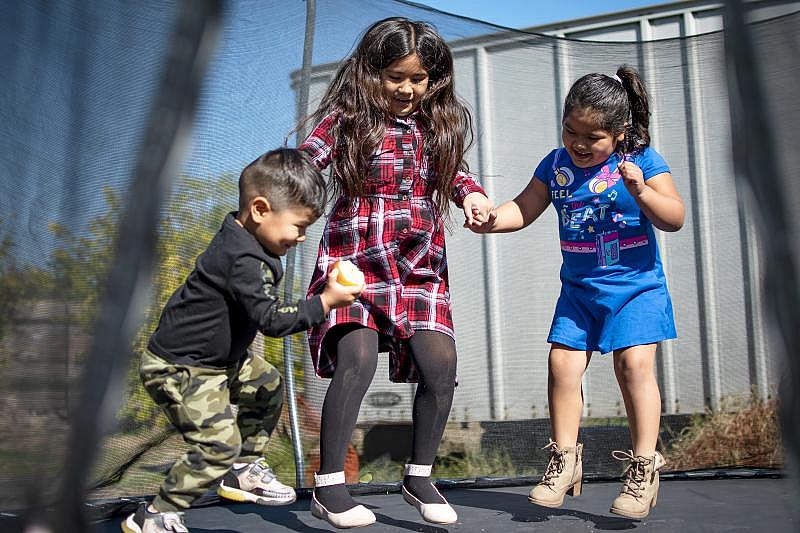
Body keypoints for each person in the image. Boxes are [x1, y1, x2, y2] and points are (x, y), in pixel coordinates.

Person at [296, 17, 493, 529]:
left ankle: (419, 475)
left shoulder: (437, 127)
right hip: (356, 255)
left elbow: (454, 174)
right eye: (395, 77)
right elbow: (307, 162)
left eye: (418, 79)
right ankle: (330, 485)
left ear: (434, 81)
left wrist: (471, 195)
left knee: (439, 366)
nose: (407, 89)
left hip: (418, 262)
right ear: (371, 74)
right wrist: (278, 188)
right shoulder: (346, 118)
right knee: (356, 358)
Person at [471, 65, 684, 519]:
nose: (580, 145)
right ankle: (565, 460)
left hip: (635, 289)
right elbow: (523, 209)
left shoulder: (643, 162)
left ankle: (644, 468)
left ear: (620, 134)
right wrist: (492, 219)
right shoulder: (555, 164)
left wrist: (641, 191)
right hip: (580, 292)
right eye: (572, 132)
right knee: (561, 363)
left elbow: (674, 216)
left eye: (594, 137)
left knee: (634, 365)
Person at [121, 148, 363, 533]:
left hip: (219, 362)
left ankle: (242, 470)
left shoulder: (250, 241)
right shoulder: (242, 259)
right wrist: (326, 302)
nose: (301, 237)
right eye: (299, 226)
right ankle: (153, 515)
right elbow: (270, 320)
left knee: (268, 385)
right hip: (181, 368)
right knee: (216, 446)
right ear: (260, 209)